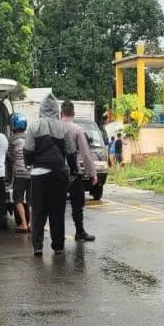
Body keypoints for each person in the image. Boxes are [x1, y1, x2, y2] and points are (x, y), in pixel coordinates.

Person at [23, 93, 77, 256]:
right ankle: (58, 246)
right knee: (57, 211)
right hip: (59, 173)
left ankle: (38, 246)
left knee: (38, 211)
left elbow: (28, 150)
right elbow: (71, 152)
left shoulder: (34, 126)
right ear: (56, 110)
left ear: (41, 109)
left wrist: (29, 163)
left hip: (39, 173)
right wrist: (74, 170)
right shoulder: (63, 127)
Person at [60, 100, 96, 242]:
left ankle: (58, 235)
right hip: (73, 173)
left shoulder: (55, 128)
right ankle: (79, 231)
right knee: (77, 204)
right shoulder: (77, 130)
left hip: (56, 172)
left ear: (60, 113)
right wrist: (92, 173)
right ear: (73, 114)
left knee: (58, 205)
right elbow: (86, 154)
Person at [7, 112, 31, 233]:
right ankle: (32, 223)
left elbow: (10, 157)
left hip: (20, 174)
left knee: (18, 199)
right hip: (31, 173)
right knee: (31, 200)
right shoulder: (30, 138)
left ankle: (24, 224)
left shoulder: (12, 140)